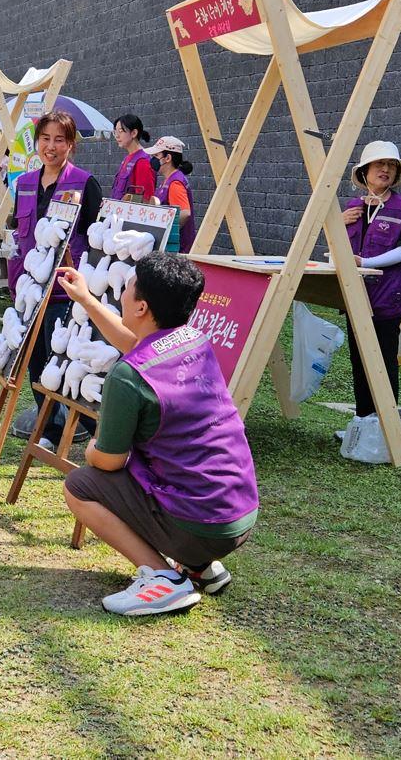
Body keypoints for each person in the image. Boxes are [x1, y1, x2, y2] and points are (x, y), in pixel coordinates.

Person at [58, 252, 259, 617]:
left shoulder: (127, 377)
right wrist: (86, 300)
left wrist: (90, 451)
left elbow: (110, 459)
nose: (123, 291)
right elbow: (135, 343)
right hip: (238, 515)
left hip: (200, 523)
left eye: (129, 286)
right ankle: (197, 564)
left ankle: (165, 577)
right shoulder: (194, 340)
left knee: (81, 485)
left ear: (142, 307)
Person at [8, 111, 103, 438]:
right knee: (35, 359)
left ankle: (95, 430)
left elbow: (96, 240)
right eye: (45, 139)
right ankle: (49, 428)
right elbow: (19, 235)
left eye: (59, 140)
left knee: (65, 360)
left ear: (70, 144)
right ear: (36, 143)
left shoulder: (85, 183)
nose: (51, 146)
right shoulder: (23, 184)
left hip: (67, 292)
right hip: (30, 288)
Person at [341, 140, 401, 420]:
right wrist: (338, 224)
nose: (385, 170)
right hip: (356, 297)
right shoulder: (353, 207)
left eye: (390, 166)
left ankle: (385, 428)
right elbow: (339, 248)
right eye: (379, 165)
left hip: (387, 299)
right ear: (365, 171)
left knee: (384, 363)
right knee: (359, 361)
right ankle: (362, 423)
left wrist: (367, 263)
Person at [147, 136, 197, 253]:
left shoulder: (175, 183)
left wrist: (165, 233)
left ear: (167, 158)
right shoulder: (169, 180)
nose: (152, 160)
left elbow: (185, 213)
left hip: (177, 250)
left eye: (156, 156)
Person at [111, 113, 155, 201]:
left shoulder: (142, 161)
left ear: (134, 133)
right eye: (115, 132)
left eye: (121, 131)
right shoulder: (127, 159)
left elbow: (145, 199)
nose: (117, 136)